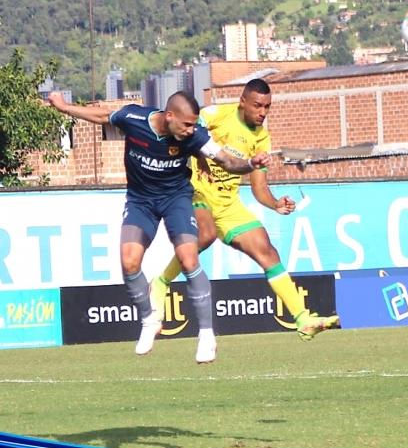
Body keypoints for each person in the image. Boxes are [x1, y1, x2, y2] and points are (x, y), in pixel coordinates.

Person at [46, 91, 270, 364]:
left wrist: (249, 164)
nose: (191, 131)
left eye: (194, 125)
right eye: (186, 124)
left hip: (176, 200)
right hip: (141, 202)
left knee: (189, 259)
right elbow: (103, 115)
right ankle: (149, 320)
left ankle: (207, 335)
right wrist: (65, 107)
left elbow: (226, 161)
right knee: (129, 263)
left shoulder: (196, 135)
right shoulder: (134, 118)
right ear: (169, 116)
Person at [149, 79, 340, 342]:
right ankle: (161, 282)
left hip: (228, 204)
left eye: (267, 107)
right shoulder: (217, 115)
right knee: (204, 234)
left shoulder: (262, 138)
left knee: (266, 249)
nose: (262, 112)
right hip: (195, 190)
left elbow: (258, 186)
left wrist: (274, 203)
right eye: (257, 105)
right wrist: (198, 159)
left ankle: (302, 319)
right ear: (242, 102)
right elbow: (186, 130)